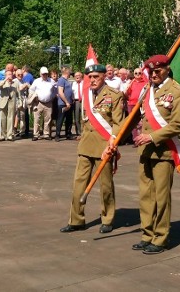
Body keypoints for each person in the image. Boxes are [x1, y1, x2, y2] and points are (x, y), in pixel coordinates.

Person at [132, 54, 180, 255]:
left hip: (163, 151)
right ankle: (147, 234)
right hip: (145, 151)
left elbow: (178, 125)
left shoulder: (177, 92)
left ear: (167, 69)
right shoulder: (147, 90)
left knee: (161, 197)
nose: (153, 74)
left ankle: (161, 237)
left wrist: (152, 136)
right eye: (151, 71)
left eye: (158, 71)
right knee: (145, 196)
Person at [60, 64, 124, 234]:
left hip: (104, 146)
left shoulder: (114, 95)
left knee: (106, 185)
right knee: (78, 185)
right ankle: (76, 220)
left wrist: (112, 142)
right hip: (85, 145)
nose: (93, 80)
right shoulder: (86, 94)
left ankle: (107, 218)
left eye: (96, 76)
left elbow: (118, 123)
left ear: (104, 76)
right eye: (90, 77)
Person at [30, 67, 55, 140]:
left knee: (48, 119)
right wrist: (34, 97)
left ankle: (46, 134)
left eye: (46, 74)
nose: (45, 75)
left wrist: (52, 97)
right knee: (37, 119)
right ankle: (36, 134)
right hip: (38, 102)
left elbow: (55, 90)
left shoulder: (51, 81)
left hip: (48, 103)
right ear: (40, 74)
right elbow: (31, 90)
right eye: (43, 74)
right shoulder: (37, 81)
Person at [0, 70, 21, 141]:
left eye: (11, 74)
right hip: (3, 102)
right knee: (2, 119)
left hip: (12, 102)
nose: (10, 75)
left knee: (11, 118)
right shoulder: (2, 82)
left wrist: (20, 102)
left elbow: (18, 93)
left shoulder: (15, 83)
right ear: (5, 75)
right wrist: (6, 80)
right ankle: (2, 135)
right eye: (8, 74)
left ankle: (9, 135)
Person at [55, 66, 74, 141]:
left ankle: (68, 133)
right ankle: (57, 134)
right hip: (63, 104)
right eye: (69, 71)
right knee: (60, 119)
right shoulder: (61, 80)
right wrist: (66, 102)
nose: (70, 72)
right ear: (66, 71)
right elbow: (60, 92)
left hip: (69, 103)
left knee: (69, 119)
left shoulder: (67, 80)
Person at [71, 71, 83, 138]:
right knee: (76, 118)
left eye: (78, 75)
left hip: (83, 101)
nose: (77, 76)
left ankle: (84, 133)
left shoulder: (84, 83)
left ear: (81, 76)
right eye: (75, 76)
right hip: (76, 101)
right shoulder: (73, 84)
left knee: (84, 118)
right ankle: (78, 133)